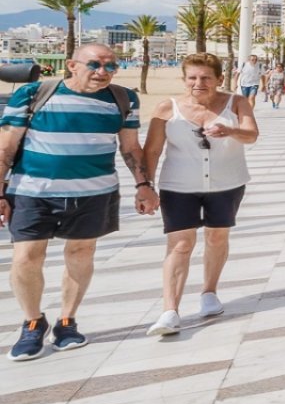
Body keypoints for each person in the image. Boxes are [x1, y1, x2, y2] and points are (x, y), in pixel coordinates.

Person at [3, 43, 157, 360]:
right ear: (72, 65)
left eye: (110, 66)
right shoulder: (33, 94)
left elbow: (130, 147)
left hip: (94, 192)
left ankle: (66, 321)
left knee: (81, 254)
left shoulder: (124, 99)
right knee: (26, 257)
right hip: (32, 191)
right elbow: (6, 146)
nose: (103, 72)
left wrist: (144, 185)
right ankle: (32, 322)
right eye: (95, 64)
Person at [141, 53, 258, 337]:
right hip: (178, 185)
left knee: (217, 238)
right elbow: (152, 150)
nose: (198, 83)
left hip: (227, 183)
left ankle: (209, 292)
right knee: (180, 244)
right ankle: (170, 311)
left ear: (219, 78)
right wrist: (145, 186)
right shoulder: (167, 108)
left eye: (206, 77)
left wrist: (229, 130)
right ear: (184, 80)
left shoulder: (237, 102)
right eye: (192, 78)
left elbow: (251, 135)